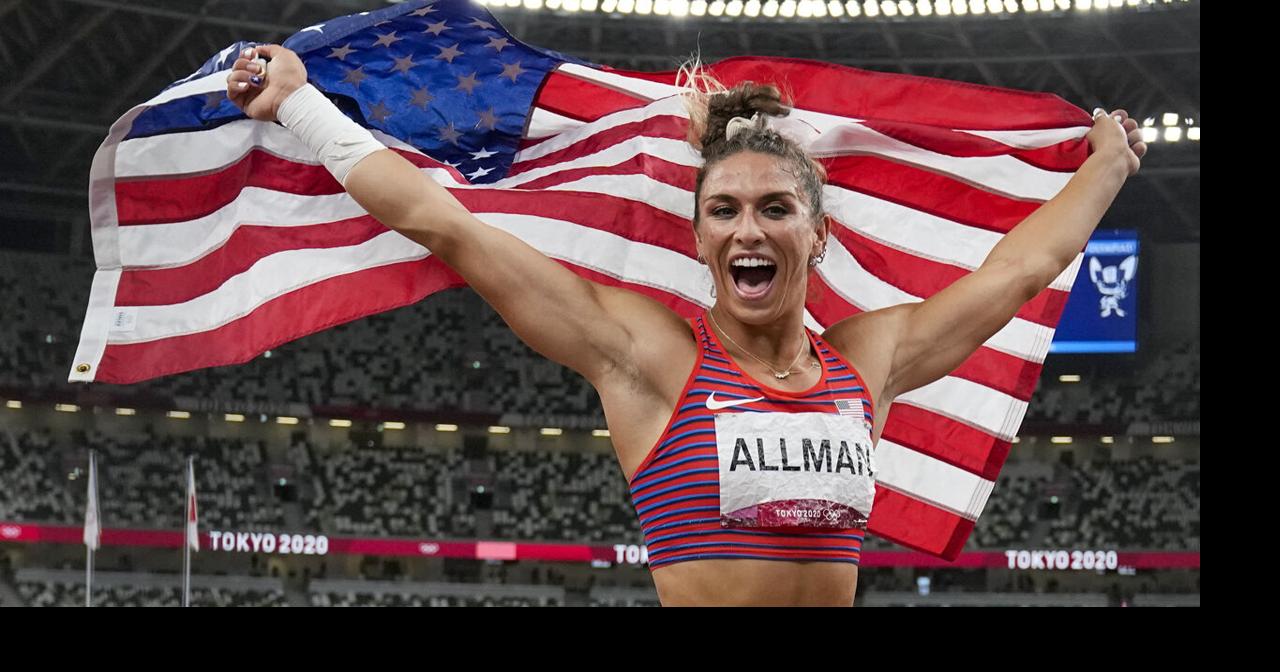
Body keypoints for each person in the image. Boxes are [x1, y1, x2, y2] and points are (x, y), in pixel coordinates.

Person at [226, 45, 1145, 606]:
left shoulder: (873, 358)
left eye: (776, 210)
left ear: (816, 236)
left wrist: (1109, 163)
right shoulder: (648, 355)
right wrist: (301, 108)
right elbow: (447, 224)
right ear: (700, 233)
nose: (749, 228)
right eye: (726, 210)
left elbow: (1019, 271)